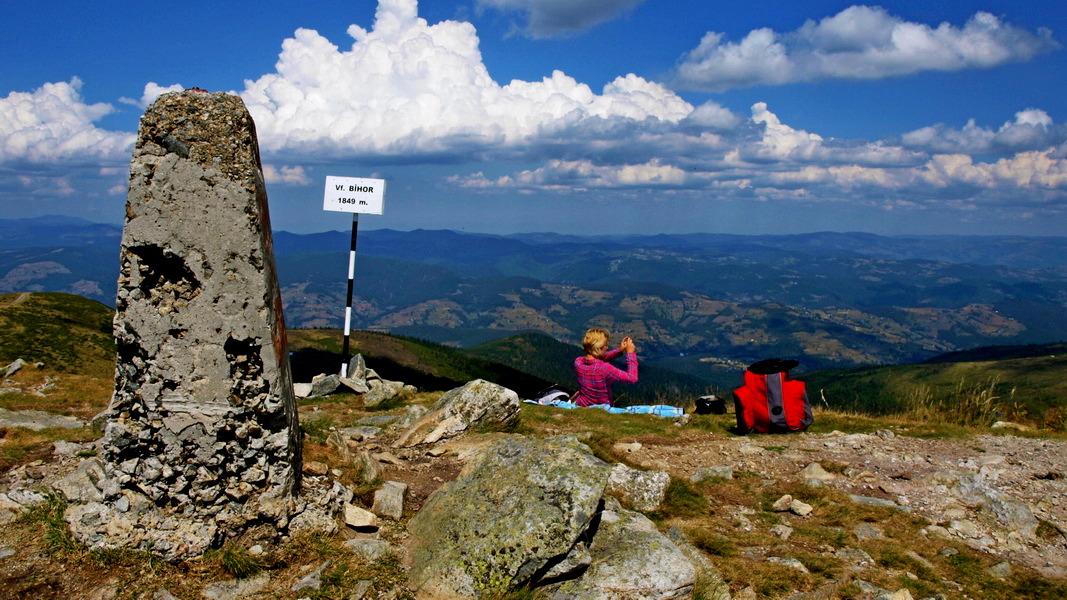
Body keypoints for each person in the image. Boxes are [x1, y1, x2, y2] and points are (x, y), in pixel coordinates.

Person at [573, 327, 638, 407]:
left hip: (582, 405)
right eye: (605, 345)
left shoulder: (578, 362)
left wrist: (620, 350)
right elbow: (632, 378)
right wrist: (630, 354)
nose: (607, 347)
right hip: (602, 408)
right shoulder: (604, 368)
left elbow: (598, 358)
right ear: (599, 347)